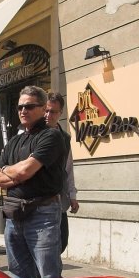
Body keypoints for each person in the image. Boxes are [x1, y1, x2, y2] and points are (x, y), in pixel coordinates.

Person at [0, 85, 65, 278]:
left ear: (43, 108)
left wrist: (14, 172)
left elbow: (25, 171)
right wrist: (18, 174)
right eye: (20, 107)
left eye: (30, 106)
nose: (23, 111)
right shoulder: (14, 141)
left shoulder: (51, 136)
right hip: (13, 215)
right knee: (18, 277)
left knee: (48, 276)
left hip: (42, 214)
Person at [44, 92, 79, 252]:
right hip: (39, 201)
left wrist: (72, 196)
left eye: (53, 112)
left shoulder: (64, 138)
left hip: (58, 199)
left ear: (60, 113)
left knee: (61, 241)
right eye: (46, 110)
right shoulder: (33, 133)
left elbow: (68, 169)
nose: (48, 115)